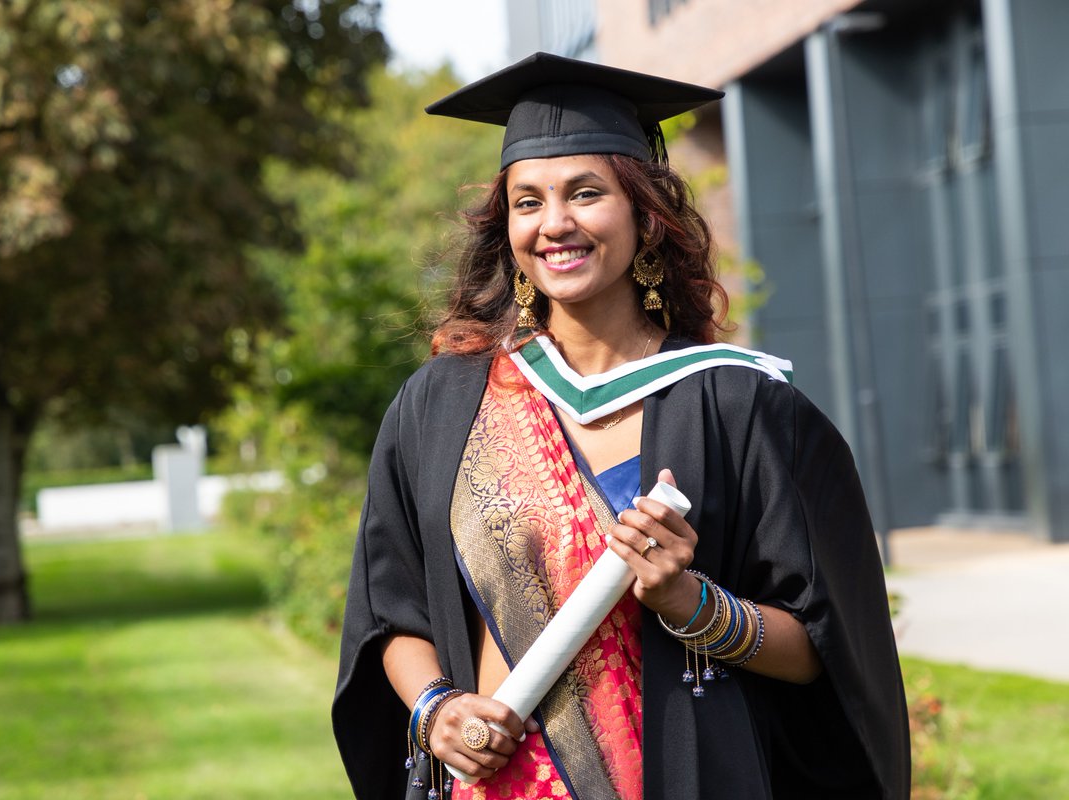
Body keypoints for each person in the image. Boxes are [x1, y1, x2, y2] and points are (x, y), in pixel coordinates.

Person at [333, 52, 909, 800]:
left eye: (585, 193)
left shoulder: (740, 407)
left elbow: (826, 649)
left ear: (644, 215)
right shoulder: (442, 404)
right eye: (528, 201)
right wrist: (436, 711)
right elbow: (390, 611)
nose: (556, 224)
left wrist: (689, 601)